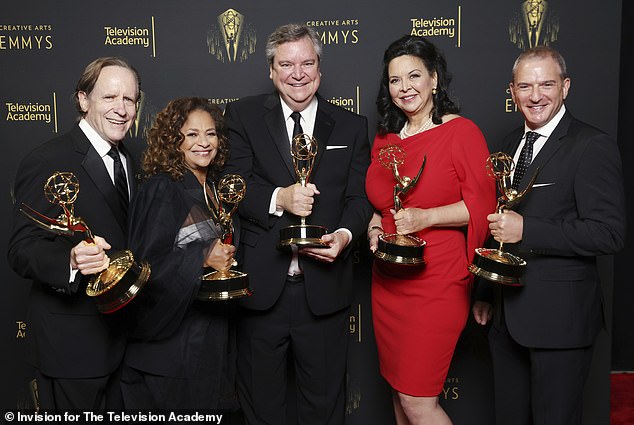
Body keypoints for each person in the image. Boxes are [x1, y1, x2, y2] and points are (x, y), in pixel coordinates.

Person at [223, 23, 372, 425]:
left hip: (324, 292)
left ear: (319, 69)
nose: (298, 73)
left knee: (324, 406)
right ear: (271, 71)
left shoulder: (351, 125)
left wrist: (343, 236)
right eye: (286, 64)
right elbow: (232, 185)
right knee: (260, 405)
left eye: (307, 63)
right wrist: (279, 198)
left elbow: (360, 199)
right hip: (262, 291)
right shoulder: (243, 115)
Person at [472, 46, 626, 425]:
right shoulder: (509, 145)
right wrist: (485, 292)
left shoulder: (592, 145)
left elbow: (609, 234)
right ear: (512, 91)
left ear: (565, 87)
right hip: (506, 316)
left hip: (561, 321)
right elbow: (499, 222)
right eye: (525, 86)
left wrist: (529, 230)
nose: (535, 95)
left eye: (546, 84)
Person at [365, 35, 496, 425]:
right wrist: (374, 225)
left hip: (437, 277)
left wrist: (426, 218)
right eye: (394, 80)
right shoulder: (386, 137)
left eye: (414, 76)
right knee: (398, 392)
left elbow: (482, 206)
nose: (404, 88)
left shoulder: (462, 132)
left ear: (434, 79)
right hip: (388, 279)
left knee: (417, 401)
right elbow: (379, 200)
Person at [8, 57, 140, 410]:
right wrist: (69, 260)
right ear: (83, 100)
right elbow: (21, 248)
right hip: (73, 346)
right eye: (110, 98)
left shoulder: (134, 158)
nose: (121, 109)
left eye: (129, 99)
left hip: (129, 340)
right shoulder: (48, 159)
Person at [120, 97, 240, 411]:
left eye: (211, 133)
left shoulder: (216, 188)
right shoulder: (162, 188)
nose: (204, 142)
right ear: (173, 141)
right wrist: (202, 257)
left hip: (211, 344)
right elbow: (146, 267)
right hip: (170, 352)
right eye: (192, 134)